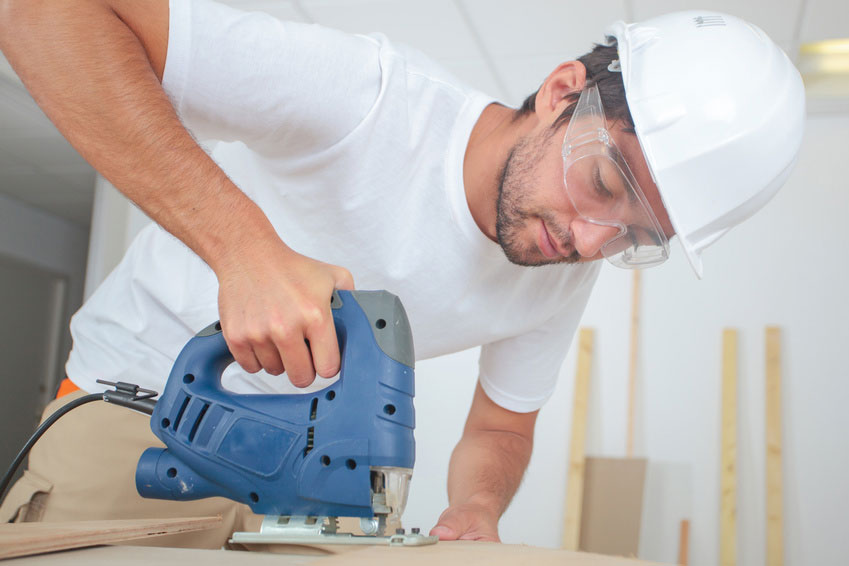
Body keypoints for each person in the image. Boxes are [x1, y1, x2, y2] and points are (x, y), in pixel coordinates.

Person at [0, 0, 804, 546]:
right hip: (143, 433)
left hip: (318, 496)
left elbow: (500, 426)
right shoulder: (367, 98)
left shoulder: (563, 266)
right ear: (564, 93)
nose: (591, 242)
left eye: (635, 237)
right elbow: (47, 12)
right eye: (602, 183)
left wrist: (474, 508)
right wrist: (241, 247)